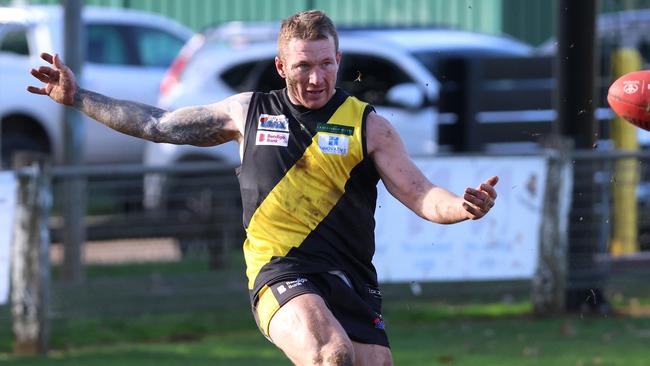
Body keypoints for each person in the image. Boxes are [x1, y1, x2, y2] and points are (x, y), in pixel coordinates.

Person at [28, 10, 498, 366]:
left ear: (339, 61)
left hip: (350, 278)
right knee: (331, 355)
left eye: (326, 64)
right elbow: (158, 124)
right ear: (280, 65)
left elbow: (420, 193)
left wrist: (463, 206)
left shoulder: (369, 127)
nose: (316, 78)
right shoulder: (246, 113)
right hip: (280, 270)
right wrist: (79, 97)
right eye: (302, 66)